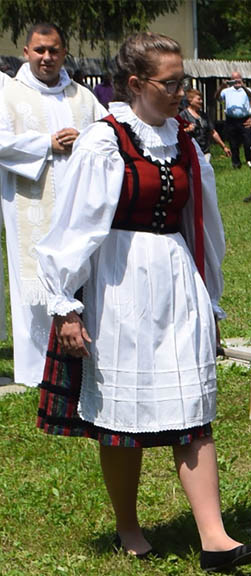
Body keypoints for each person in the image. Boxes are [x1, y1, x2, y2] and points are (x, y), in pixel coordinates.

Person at [34, 31, 251, 570]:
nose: (181, 94)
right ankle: (127, 525)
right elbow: (75, 228)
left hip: (175, 281)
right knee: (121, 415)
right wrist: (65, 303)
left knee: (193, 405)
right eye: (171, 84)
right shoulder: (104, 141)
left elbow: (202, 225)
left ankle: (215, 538)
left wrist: (209, 296)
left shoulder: (184, 143)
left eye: (183, 82)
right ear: (136, 84)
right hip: (118, 285)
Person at [0, 22, 106, 388]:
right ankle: (35, 371)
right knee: (35, 277)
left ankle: (83, 355)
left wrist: (84, 139)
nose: (47, 57)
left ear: (64, 53)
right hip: (31, 202)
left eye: (54, 50)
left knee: (82, 271)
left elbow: (108, 132)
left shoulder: (82, 96)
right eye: (40, 50)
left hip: (76, 203)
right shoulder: (9, 94)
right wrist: (47, 144)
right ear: (26, 53)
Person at [179, 87, 230, 159]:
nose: (201, 101)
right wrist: (187, 129)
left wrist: (224, 147)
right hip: (190, 151)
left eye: (201, 99)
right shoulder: (183, 115)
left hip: (205, 151)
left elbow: (213, 132)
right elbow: (176, 133)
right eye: (199, 99)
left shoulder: (204, 115)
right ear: (190, 100)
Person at [218, 71, 251, 169]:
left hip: (245, 119)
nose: (236, 81)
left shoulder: (247, 90)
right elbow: (217, 98)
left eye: (238, 79)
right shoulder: (226, 91)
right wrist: (222, 87)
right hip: (231, 120)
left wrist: (243, 87)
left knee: (248, 141)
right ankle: (236, 163)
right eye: (234, 79)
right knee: (233, 143)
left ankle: (249, 160)